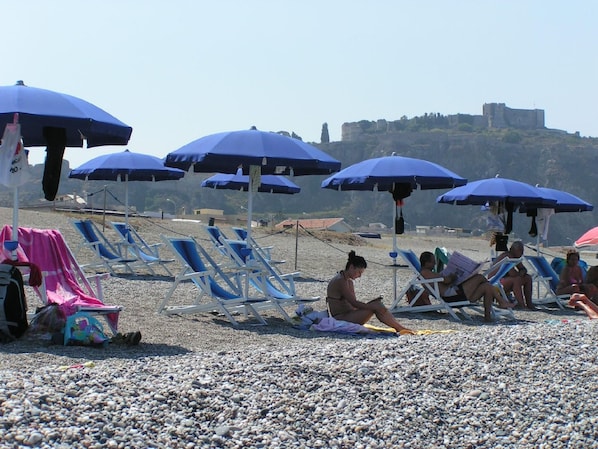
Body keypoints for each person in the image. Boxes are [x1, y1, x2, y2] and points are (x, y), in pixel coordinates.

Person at [327, 250, 414, 334]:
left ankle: (399, 327)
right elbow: (354, 303)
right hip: (341, 318)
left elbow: (353, 304)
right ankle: (399, 328)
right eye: (359, 272)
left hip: (349, 314)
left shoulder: (348, 281)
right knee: (377, 306)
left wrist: (372, 304)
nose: (360, 276)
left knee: (377, 304)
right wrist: (372, 306)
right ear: (351, 267)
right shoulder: (340, 281)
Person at [419, 251, 515, 322]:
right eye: (433, 262)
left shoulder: (428, 273)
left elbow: (445, 280)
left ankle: (487, 317)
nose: (435, 264)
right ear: (426, 263)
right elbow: (447, 280)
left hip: (455, 294)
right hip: (451, 296)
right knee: (479, 277)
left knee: (487, 286)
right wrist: (452, 276)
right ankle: (501, 301)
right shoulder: (425, 273)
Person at [491, 241, 535, 310]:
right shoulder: (508, 257)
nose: (522, 253)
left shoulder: (515, 257)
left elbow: (523, 269)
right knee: (516, 280)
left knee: (528, 278)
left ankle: (529, 304)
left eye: (522, 250)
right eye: (520, 250)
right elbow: (513, 274)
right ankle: (521, 305)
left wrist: (522, 272)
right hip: (495, 283)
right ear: (513, 250)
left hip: (504, 281)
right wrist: (521, 274)